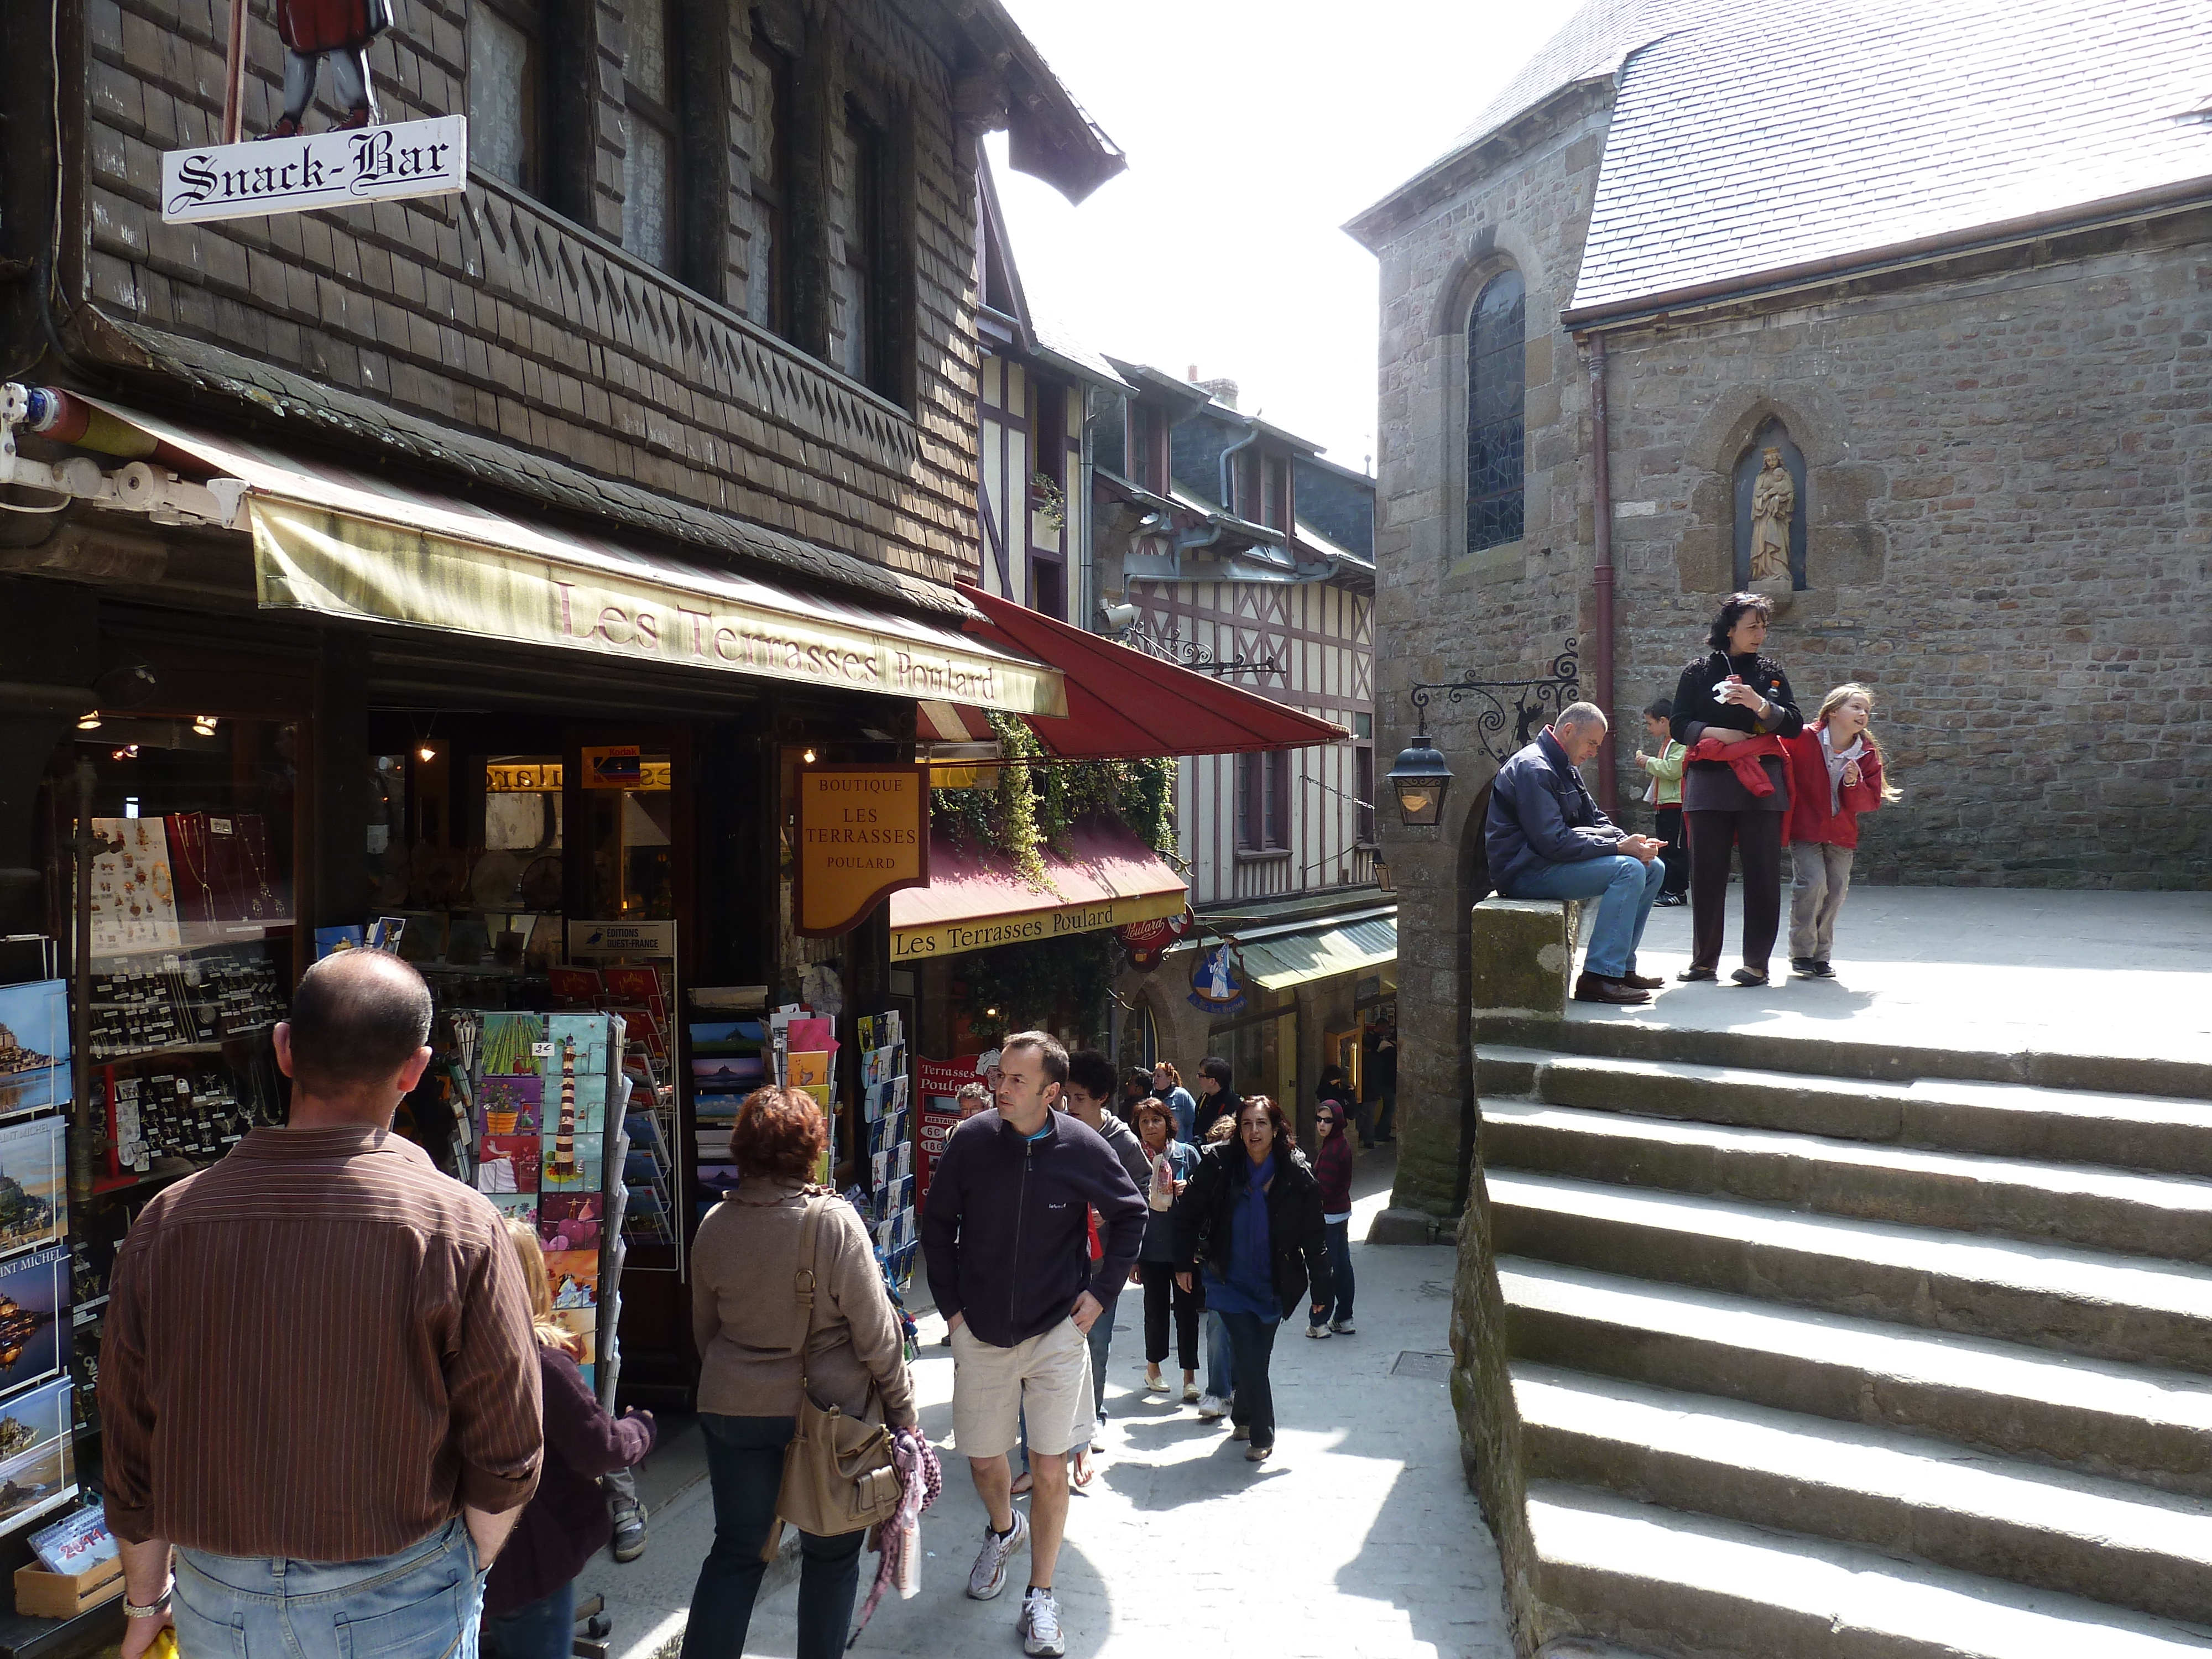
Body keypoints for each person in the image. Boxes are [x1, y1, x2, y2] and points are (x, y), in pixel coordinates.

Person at [101, 950, 544, 1659]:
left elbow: (131, 1444)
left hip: (218, 1596)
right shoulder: (459, 1226)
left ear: (283, 1048)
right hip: (401, 1588)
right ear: (416, 1069)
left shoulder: (167, 1223)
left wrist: (146, 1601)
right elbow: (508, 1448)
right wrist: (467, 1566)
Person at [921, 1031, 1144, 1658]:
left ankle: (1040, 1596)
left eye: (1017, 1081)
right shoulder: (970, 1142)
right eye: (1001, 1077)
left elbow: (1131, 1214)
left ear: (1051, 1092)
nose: (1001, 1089)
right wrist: (953, 1313)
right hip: (981, 1332)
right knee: (986, 1460)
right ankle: (1002, 1529)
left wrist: (1100, 1296)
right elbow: (936, 1227)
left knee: (1049, 1467)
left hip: (1055, 1333)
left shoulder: (1081, 1146)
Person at [684, 1086, 917, 1659]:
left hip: (731, 1407)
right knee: (831, 1555)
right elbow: (877, 1336)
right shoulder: (833, 1222)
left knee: (737, 1551)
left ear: (742, 1149)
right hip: (827, 1417)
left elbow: (704, 1331)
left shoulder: (715, 1223)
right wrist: (903, 1411)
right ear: (811, 1150)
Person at [485, 1221, 655, 1659]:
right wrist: (641, 1429)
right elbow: (599, 1449)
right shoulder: (540, 1364)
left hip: (471, 1560)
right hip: (531, 1559)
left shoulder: (453, 1355)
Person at [1174, 1096, 1329, 1464]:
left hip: (1274, 1283)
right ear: (1238, 1130)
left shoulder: (1296, 1175)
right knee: (1250, 1352)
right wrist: (1183, 1263)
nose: (1253, 1132)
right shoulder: (1221, 1165)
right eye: (1246, 1124)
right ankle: (1263, 1433)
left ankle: (1242, 1416)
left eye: (1261, 1124)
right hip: (1228, 1281)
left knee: (1257, 1356)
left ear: (1275, 1129)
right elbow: (1188, 1214)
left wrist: (1323, 1289)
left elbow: (1315, 1237)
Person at [1486, 701, 1670, 1005]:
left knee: (1653, 867)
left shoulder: (1565, 766)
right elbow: (1554, 841)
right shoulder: (1534, 768)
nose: (1594, 752)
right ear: (1569, 730)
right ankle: (1598, 977)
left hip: (1547, 863)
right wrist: (1617, 847)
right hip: (1524, 873)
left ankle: (1621, 967)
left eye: (1598, 746)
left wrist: (1633, 843)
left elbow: (1596, 819)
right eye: (1592, 743)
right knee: (1629, 869)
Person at [1671, 593, 1806, 987]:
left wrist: (1762, 706)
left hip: (1761, 781)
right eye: (1752, 626)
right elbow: (1679, 723)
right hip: (1710, 780)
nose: (1760, 634)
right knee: (1706, 872)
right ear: (1729, 630)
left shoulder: (1770, 673)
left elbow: (1794, 724)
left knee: (1762, 873)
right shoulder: (1698, 672)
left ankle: (1756, 964)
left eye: (1764, 626)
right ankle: (1703, 960)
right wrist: (1715, 732)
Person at [1056, 1050, 1153, 1479]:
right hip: (1058, 1262)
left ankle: (1091, 1417)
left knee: (1096, 1344)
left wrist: (1109, 1213)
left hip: (1101, 1267)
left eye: (1078, 1098)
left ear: (1102, 1099)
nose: (1069, 1106)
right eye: (1066, 1097)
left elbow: (1147, 1190)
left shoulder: (1123, 1143)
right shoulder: (1054, 1132)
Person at [1782, 682, 1898, 979]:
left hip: (1842, 833)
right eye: (1856, 707)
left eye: (1867, 710)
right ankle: (1802, 953)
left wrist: (1852, 784)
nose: (1863, 714)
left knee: (1835, 892)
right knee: (1812, 885)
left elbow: (1870, 802)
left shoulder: (1867, 753)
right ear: (1833, 711)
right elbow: (1779, 761)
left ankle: (1822, 956)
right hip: (1806, 828)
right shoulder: (1804, 738)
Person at [1130, 1097, 1201, 1400]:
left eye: (1155, 1120)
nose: (1150, 1127)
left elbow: (1206, 1198)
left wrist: (1191, 1189)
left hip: (1183, 1250)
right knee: (1155, 1312)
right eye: (1144, 1122)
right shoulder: (1134, 1159)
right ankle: (1153, 1369)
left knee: (1188, 1314)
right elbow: (1128, 1209)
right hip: (1149, 1249)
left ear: (1168, 1122)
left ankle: (1189, 1376)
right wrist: (1131, 1257)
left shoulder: (1187, 1155)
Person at [1192, 1112, 1240, 1422]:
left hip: (1253, 1262)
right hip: (1218, 1261)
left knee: (1246, 1329)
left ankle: (1237, 1387)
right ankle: (1219, 1391)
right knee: (1218, 1324)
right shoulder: (1208, 1169)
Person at [1306, 1099, 1356, 1338]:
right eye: (1319, 1120)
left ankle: (1319, 1322)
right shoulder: (1340, 1145)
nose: (1322, 1125)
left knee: (1324, 1270)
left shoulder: (1331, 1151)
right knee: (1342, 1266)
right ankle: (1344, 1317)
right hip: (1341, 1212)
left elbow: (1323, 1189)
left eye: (1328, 1120)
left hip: (1328, 1217)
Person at [1635, 697, 1689, 906]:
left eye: (1650, 723)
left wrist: (1649, 762)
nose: (1649, 728)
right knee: (1666, 848)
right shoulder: (1669, 742)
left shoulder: (1679, 742)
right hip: (1666, 803)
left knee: (1676, 849)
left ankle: (1677, 891)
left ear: (1664, 721)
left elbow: (1674, 770)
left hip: (1676, 803)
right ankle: (1667, 889)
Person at [1362, 1015, 1398, 1147]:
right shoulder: (1378, 1044)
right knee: (1381, 1109)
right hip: (1381, 1083)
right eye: (1386, 1028)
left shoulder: (1377, 1042)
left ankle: (1376, 1134)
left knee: (1371, 1112)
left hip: (1378, 1083)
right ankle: (1380, 1134)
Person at [1151, 1060, 1198, 1144]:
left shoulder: (1181, 1095)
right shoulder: (1150, 1097)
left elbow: (1194, 1122)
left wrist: (1187, 1144)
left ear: (1169, 1079)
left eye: (1159, 1076)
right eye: (1154, 1075)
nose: (1155, 1079)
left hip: (1179, 1147)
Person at [1193, 1056, 1239, 1141]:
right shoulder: (1205, 1097)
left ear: (1212, 1081)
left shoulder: (1234, 1104)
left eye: (1201, 1075)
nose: (1197, 1077)